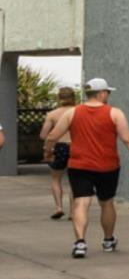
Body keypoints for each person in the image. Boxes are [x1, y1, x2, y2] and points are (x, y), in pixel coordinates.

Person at [65, 78, 129, 259]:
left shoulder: (72, 113)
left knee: (81, 202)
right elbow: (128, 139)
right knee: (106, 202)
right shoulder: (115, 113)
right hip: (107, 166)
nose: (108, 95)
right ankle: (108, 240)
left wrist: (48, 150)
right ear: (102, 93)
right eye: (108, 92)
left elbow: (53, 134)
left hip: (79, 165)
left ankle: (80, 243)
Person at [39, 87, 78, 221]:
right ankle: (73, 212)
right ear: (74, 97)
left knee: (56, 179)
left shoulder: (53, 114)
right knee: (74, 180)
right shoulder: (79, 111)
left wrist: (48, 147)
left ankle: (59, 208)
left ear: (59, 98)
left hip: (59, 147)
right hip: (75, 146)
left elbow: (44, 134)